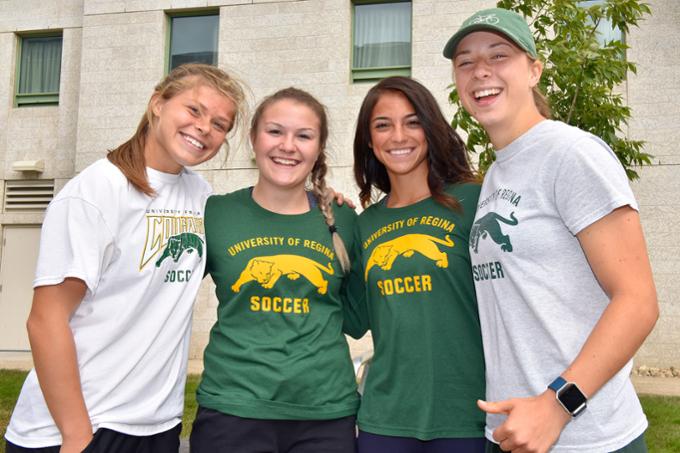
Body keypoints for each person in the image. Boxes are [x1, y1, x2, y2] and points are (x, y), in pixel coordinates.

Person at [443, 7, 658, 453]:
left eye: (498, 55)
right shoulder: (498, 176)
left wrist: (558, 405)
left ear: (535, 70)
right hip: (512, 431)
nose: (480, 71)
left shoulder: (571, 154)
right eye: (465, 61)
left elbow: (638, 302)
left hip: (587, 437)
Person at [4, 63, 247, 453]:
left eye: (220, 124)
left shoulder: (200, 196)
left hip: (156, 426)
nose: (205, 128)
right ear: (157, 104)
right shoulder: (95, 192)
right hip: (81, 428)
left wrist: (319, 203)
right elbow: (45, 320)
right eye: (194, 110)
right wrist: (77, 435)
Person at [189, 87, 360, 453]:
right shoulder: (215, 214)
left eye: (303, 136)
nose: (288, 145)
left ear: (319, 148)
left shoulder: (343, 219)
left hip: (325, 414)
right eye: (275, 131)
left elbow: (357, 314)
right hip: (233, 410)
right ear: (253, 139)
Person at [346, 76, 486, 452]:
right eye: (382, 125)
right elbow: (352, 319)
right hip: (386, 416)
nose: (398, 136)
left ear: (431, 128)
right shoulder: (364, 224)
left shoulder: (472, 201)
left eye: (412, 121)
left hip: (467, 414)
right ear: (369, 141)